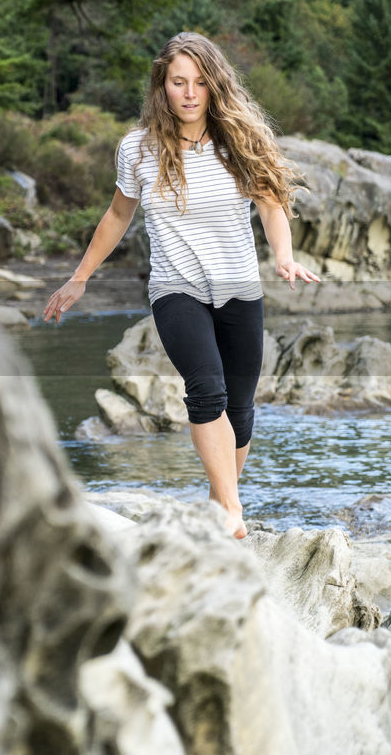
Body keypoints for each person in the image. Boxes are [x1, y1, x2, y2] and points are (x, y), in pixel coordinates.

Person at [41, 32, 320, 539]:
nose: (189, 93)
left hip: (239, 288)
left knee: (240, 408)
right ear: (162, 85)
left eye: (199, 82)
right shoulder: (138, 148)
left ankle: (221, 506)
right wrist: (79, 278)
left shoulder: (241, 141)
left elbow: (273, 205)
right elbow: (117, 215)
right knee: (206, 389)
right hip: (176, 287)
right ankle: (233, 512)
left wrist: (284, 257)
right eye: (178, 82)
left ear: (215, 86)